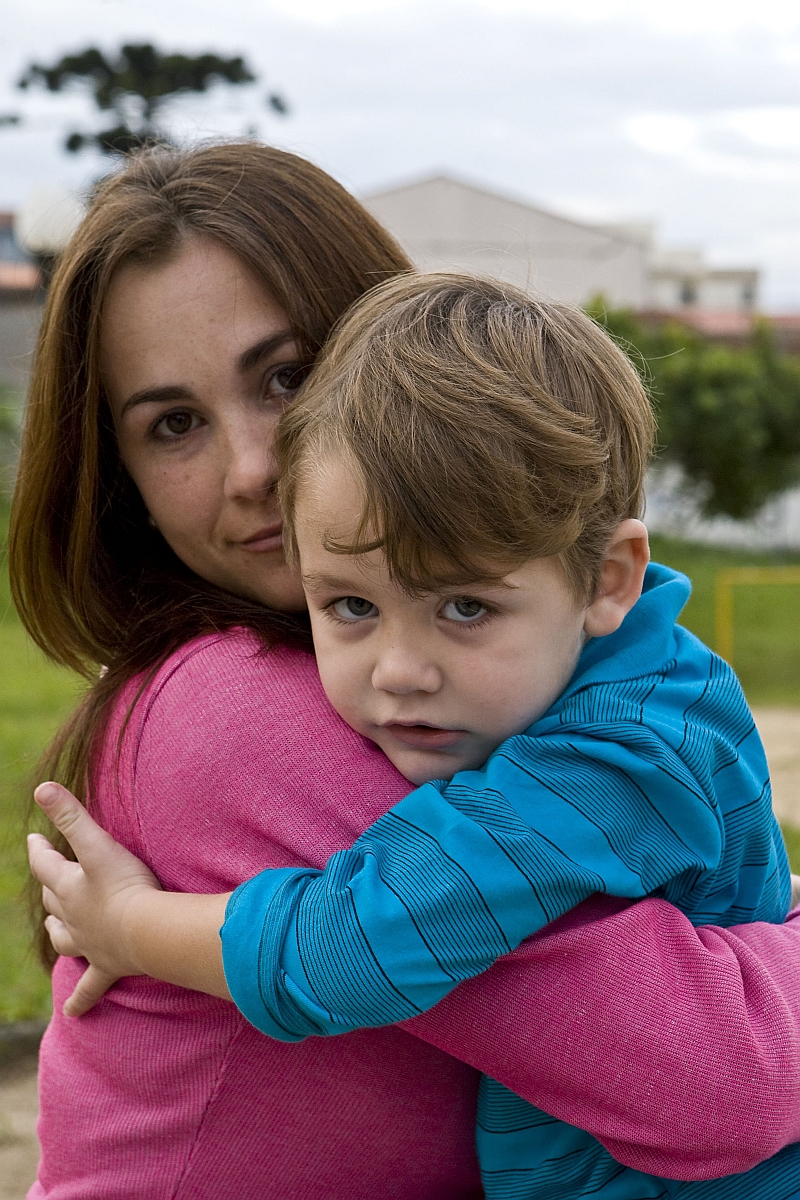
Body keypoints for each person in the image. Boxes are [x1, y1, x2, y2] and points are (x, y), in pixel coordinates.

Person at [16, 144, 800, 1200]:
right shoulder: (247, 710)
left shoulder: (509, 696)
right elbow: (720, 1079)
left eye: (287, 377)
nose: (254, 470)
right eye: (175, 425)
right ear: (124, 483)